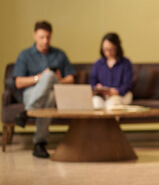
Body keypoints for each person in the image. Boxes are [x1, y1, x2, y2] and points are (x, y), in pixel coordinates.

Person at [13, 21, 75, 158]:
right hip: (31, 92)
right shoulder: (25, 55)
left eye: (48, 37)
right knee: (49, 86)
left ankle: (28, 112)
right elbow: (18, 83)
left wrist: (57, 79)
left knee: (51, 90)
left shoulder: (59, 54)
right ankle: (39, 144)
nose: (45, 41)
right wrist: (40, 77)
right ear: (35, 35)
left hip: (54, 90)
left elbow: (71, 79)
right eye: (42, 37)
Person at [89, 33, 133, 109]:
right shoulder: (98, 64)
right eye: (105, 50)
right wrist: (97, 88)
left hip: (119, 95)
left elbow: (127, 84)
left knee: (112, 104)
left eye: (111, 49)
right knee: (95, 102)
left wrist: (117, 91)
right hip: (102, 96)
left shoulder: (125, 63)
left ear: (117, 48)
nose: (108, 53)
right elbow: (92, 82)